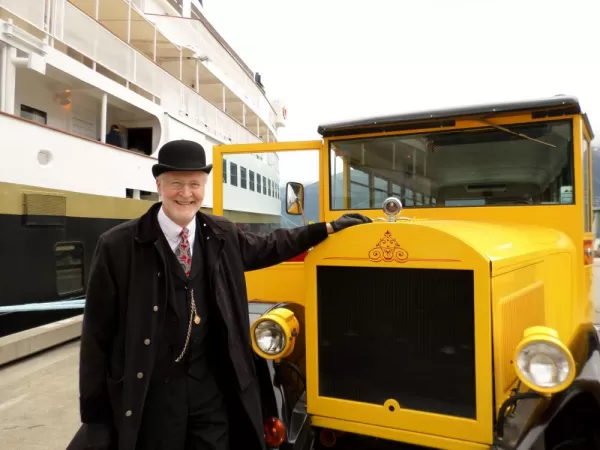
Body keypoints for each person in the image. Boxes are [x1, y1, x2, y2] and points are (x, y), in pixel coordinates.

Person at [67, 139, 371, 450]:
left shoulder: (221, 234)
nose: (186, 194)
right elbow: (96, 338)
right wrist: (95, 419)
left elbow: (271, 245)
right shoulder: (118, 246)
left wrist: (327, 229)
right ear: (159, 185)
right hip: (153, 394)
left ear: (205, 186)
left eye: (195, 184)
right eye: (176, 184)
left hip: (210, 390)